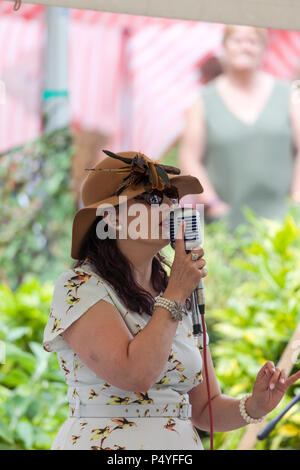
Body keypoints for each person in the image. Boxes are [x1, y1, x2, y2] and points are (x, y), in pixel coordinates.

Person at [43, 150, 300, 450]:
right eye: (152, 199)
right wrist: (177, 291)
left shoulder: (177, 291)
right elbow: (136, 374)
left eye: (171, 197)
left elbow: (205, 409)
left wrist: (255, 406)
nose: (169, 207)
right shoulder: (79, 286)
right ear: (110, 219)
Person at [179, 25, 300, 230]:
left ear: (264, 48)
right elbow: (189, 158)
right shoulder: (203, 101)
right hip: (227, 224)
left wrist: (297, 197)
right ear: (224, 46)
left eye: (253, 41)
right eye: (237, 40)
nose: (246, 47)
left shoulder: (287, 95)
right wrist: (213, 203)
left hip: (283, 223)